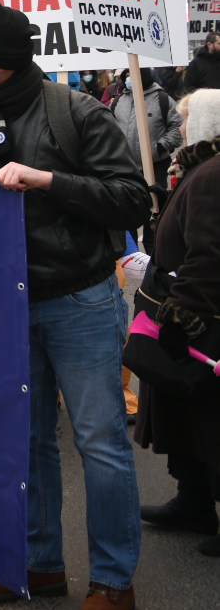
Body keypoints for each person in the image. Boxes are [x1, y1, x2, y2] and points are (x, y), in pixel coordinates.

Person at [0, 0, 150, 610]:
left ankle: (112, 578)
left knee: (99, 441)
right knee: (26, 439)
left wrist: (49, 180)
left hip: (79, 302)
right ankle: (38, 561)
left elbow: (132, 197)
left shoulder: (75, 112)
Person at [135, 88, 220, 557]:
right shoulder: (198, 171)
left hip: (201, 321)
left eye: (189, 121)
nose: (182, 129)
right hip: (193, 314)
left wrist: (180, 314)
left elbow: (209, 254)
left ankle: (202, 503)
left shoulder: (210, 176)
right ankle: (194, 503)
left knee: (208, 420)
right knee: (186, 419)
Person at [109, 68, 183, 185]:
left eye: (132, 75)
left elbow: (178, 127)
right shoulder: (118, 101)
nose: (129, 79)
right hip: (124, 166)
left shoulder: (163, 99)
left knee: (155, 200)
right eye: (127, 76)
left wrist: (160, 147)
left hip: (155, 165)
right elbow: (108, 127)